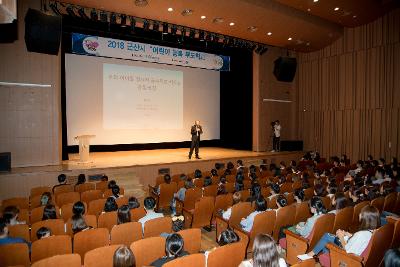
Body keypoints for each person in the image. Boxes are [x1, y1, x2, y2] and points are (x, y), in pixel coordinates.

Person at [302, 205, 380, 258]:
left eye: (361, 213)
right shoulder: (372, 231)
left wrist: (341, 237)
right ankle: (325, 256)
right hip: (352, 248)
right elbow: (359, 241)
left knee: (327, 236)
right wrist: (349, 235)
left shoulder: (361, 234)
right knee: (329, 239)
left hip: (347, 257)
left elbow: (348, 251)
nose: (359, 214)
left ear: (365, 218)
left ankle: (310, 255)